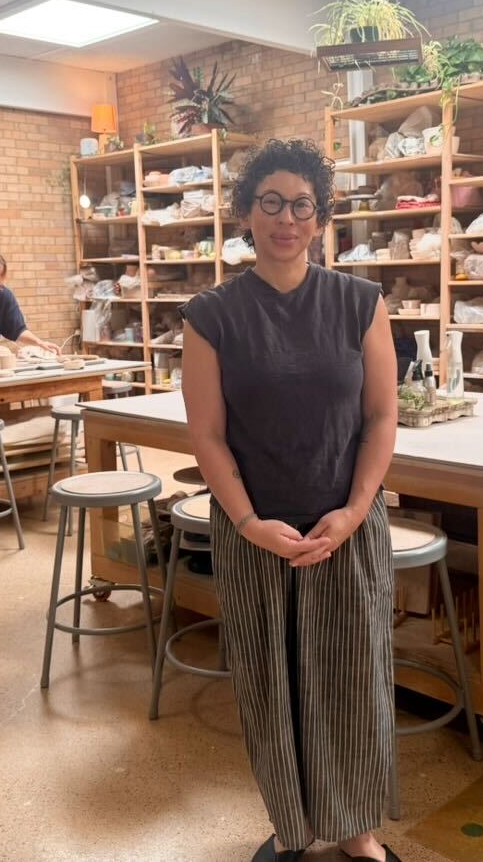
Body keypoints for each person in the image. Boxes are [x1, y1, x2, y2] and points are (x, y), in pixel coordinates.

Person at [180, 139, 400, 862]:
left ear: (320, 218)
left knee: (354, 681)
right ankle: (294, 825)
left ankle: (358, 829)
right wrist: (247, 521)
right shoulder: (212, 315)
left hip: (346, 524)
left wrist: (356, 508)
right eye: (270, 203)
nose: (286, 219)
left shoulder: (359, 303)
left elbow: (382, 417)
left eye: (302, 205)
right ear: (246, 213)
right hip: (255, 532)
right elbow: (208, 435)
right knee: (272, 688)